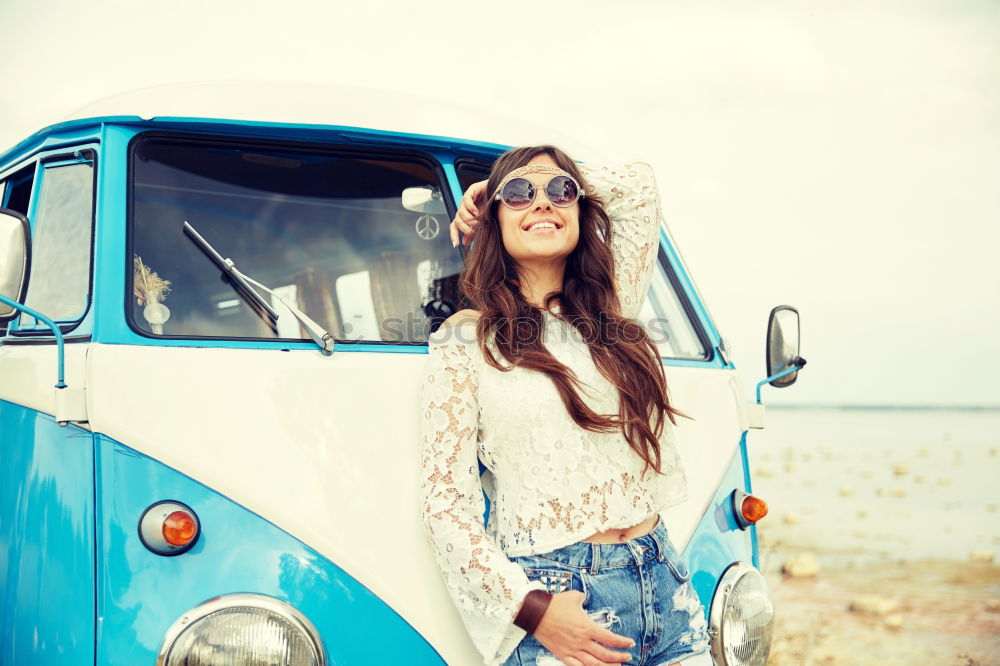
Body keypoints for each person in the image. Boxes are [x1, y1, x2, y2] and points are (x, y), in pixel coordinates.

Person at [420, 145, 712, 666]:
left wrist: (496, 185)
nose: (541, 203)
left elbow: (638, 185)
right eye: (519, 195)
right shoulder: (464, 341)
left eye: (559, 192)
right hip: (559, 597)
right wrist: (534, 611)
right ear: (493, 225)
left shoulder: (611, 309)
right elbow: (447, 506)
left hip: (662, 582)